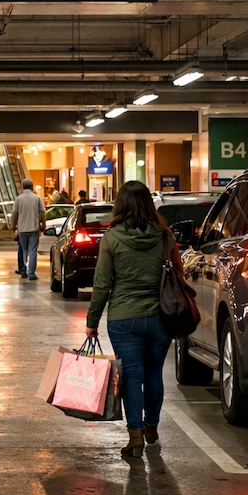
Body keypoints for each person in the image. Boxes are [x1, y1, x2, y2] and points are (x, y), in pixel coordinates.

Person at [85, 180, 184, 459]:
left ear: (120, 205)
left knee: (131, 376)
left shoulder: (112, 238)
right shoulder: (165, 236)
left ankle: (136, 436)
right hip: (160, 317)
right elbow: (178, 272)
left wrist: (92, 320)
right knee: (154, 374)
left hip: (124, 319)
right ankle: (152, 425)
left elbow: (102, 283)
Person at [10, 178, 46, 280]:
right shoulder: (37, 198)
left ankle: (24, 270)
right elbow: (43, 212)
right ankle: (31, 273)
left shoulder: (18, 199)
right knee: (33, 250)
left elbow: (15, 214)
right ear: (32, 187)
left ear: (22, 187)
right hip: (34, 228)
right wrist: (43, 224)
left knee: (24, 250)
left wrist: (13, 226)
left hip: (22, 229)